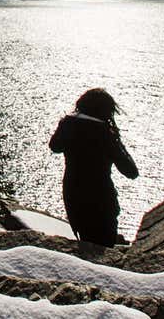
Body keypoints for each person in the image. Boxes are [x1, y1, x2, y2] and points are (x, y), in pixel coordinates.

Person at [49, 88, 137, 246]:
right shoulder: (104, 133)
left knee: (85, 239)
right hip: (100, 198)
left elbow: (55, 146)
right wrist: (117, 141)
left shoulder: (68, 124)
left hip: (73, 194)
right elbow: (130, 171)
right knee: (103, 244)